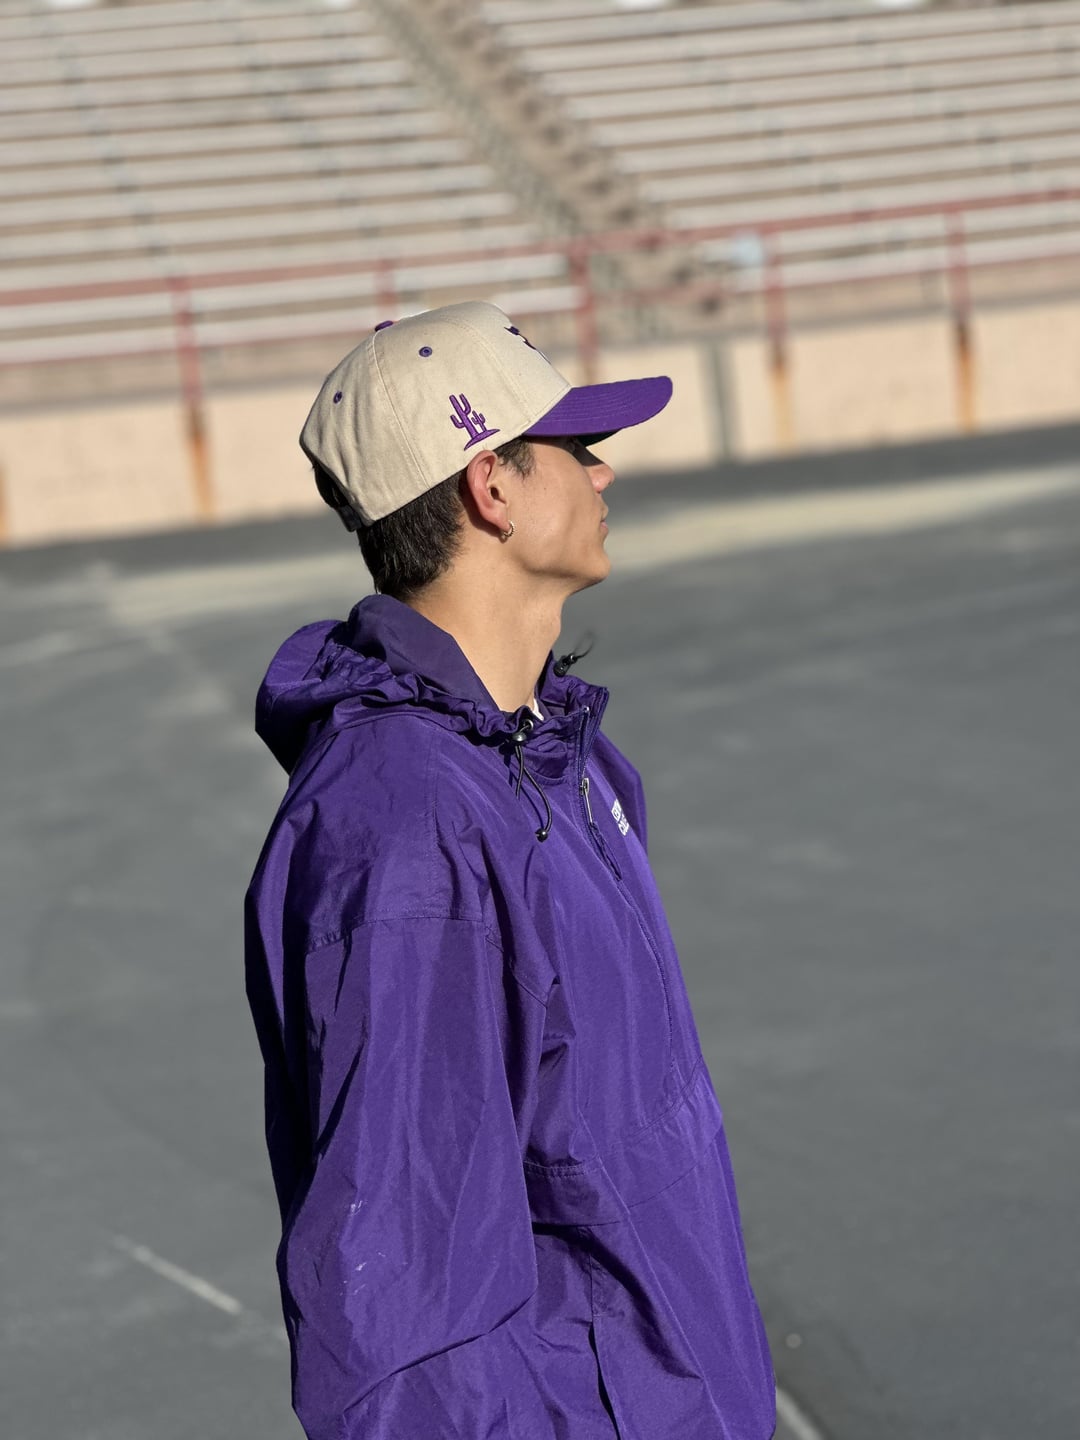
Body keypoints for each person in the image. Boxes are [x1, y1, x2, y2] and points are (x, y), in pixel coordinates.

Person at [244, 301, 776, 1439]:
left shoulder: (560, 759)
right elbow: (403, 1281)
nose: (605, 471)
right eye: (577, 447)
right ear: (492, 486)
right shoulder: (405, 819)